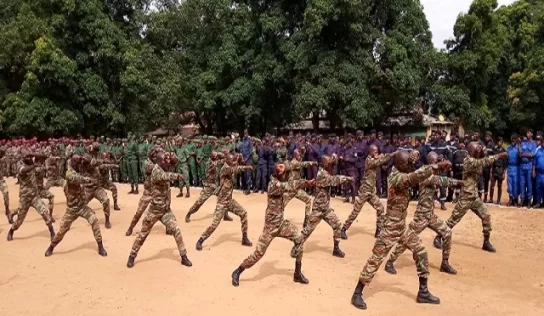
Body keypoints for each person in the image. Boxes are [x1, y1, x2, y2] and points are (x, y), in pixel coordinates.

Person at [350, 151, 451, 310]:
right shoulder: (396, 177)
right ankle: (357, 293)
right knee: (375, 260)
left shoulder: (402, 169)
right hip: (390, 228)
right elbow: (413, 177)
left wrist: (415, 156)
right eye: (407, 164)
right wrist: (435, 166)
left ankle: (423, 292)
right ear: (399, 165)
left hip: (401, 227)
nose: (410, 166)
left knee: (421, 251)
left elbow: (413, 166)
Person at [231, 163, 315, 287]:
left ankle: (297, 273)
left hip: (281, 224)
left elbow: (290, 179)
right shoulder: (274, 185)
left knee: (299, 239)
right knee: (258, 254)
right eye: (283, 171)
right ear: (279, 174)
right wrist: (305, 183)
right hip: (270, 228)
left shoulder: (279, 180)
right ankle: (238, 271)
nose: (285, 172)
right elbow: (290, 185)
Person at [384, 152, 462, 276]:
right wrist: (458, 182)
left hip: (429, 215)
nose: (438, 163)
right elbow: (441, 181)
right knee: (407, 240)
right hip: (421, 216)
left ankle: (445, 263)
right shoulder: (425, 175)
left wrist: (443, 166)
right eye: (436, 161)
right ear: (431, 162)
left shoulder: (431, 172)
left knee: (447, 233)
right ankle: (390, 261)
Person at [434, 142, 507, 253]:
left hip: (474, 196)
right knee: (453, 220)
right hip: (466, 197)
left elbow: (483, 153)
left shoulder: (476, 157)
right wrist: (499, 156)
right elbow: (484, 161)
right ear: (471, 152)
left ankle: (486, 242)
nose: (477, 151)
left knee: (486, 216)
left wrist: (480, 149)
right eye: (475, 150)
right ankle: (438, 237)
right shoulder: (469, 161)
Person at [127, 151, 192, 268]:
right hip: (154, 211)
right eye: (163, 160)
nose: (166, 162)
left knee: (176, 230)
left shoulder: (164, 167)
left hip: (165, 211)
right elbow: (165, 176)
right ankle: (132, 255)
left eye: (166, 160)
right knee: (143, 234)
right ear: (157, 161)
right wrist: (177, 175)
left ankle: (183, 256)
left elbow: (174, 163)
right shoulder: (156, 171)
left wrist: (172, 158)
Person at [291, 155, 353, 258]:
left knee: (337, 224)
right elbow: (334, 180)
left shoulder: (326, 170)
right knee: (307, 231)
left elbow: (332, 164)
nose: (331, 164)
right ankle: (296, 246)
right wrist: (347, 178)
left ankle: (336, 249)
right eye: (328, 163)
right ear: (324, 164)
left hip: (326, 209)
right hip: (318, 209)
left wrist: (334, 159)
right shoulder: (322, 174)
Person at [45, 155, 107, 257]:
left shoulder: (80, 170)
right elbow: (74, 178)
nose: (79, 165)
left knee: (94, 220)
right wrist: (86, 180)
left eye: (79, 163)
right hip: (72, 209)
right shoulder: (69, 172)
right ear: (73, 163)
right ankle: (51, 246)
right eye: (77, 163)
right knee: (62, 230)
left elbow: (92, 163)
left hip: (82, 206)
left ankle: (100, 246)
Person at [195, 153, 253, 251]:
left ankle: (244, 238)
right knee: (214, 224)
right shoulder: (225, 168)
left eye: (233, 161)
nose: (233, 162)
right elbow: (235, 169)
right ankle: (200, 240)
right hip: (222, 203)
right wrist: (246, 167)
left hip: (229, 201)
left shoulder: (230, 165)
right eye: (231, 160)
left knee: (243, 214)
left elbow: (236, 165)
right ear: (226, 161)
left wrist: (238, 159)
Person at [341, 145, 395, 240]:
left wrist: (383, 156)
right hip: (364, 192)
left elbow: (379, 160)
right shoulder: (369, 160)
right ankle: (343, 229)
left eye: (377, 152)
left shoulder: (373, 159)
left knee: (380, 208)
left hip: (371, 192)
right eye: (375, 152)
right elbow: (379, 161)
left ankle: (379, 230)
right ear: (371, 152)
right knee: (355, 212)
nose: (376, 153)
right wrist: (391, 154)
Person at [7, 149, 56, 242]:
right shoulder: (20, 165)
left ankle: (52, 232)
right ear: (23, 158)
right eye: (27, 157)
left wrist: (31, 154)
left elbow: (43, 156)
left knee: (44, 212)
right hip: (25, 198)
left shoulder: (31, 161)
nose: (29, 158)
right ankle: (11, 230)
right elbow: (24, 170)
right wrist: (33, 165)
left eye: (30, 157)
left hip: (34, 196)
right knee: (19, 221)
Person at [185, 151, 232, 223]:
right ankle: (188, 214)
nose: (217, 157)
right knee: (200, 202)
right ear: (212, 157)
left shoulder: (216, 161)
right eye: (216, 156)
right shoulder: (209, 163)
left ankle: (225, 215)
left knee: (225, 197)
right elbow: (220, 161)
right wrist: (221, 154)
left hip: (215, 185)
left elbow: (224, 159)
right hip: (209, 186)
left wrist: (222, 154)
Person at [282, 149, 316, 226]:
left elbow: (302, 158)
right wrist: (311, 163)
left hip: (296, 188)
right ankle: (277, 220)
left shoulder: (297, 160)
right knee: (281, 205)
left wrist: (303, 151)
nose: (300, 156)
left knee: (308, 200)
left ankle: (306, 220)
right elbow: (302, 164)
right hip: (290, 189)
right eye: (298, 155)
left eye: (300, 155)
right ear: (294, 155)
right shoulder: (294, 162)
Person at [519, 129, 536, 208]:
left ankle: (529, 200)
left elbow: (532, 155)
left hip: (529, 166)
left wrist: (523, 154)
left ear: (532, 134)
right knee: (522, 183)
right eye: (527, 132)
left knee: (529, 184)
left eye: (529, 133)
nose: (527, 134)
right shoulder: (523, 143)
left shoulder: (533, 143)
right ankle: (522, 200)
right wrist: (525, 154)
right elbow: (519, 154)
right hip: (522, 166)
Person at [489, 137, 506, 205]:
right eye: (498, 141)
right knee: (492, 185)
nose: (499, 143)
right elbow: (492, 161)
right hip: (494, 169)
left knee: (499, 186)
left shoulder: (504, 151)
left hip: (500, 169)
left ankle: (498, 200)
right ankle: (490, 199)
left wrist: (504, 173)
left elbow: (505, 163)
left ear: (502, 143)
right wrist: (491, 171)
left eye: (500, 141)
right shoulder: (494, 150)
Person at [507, 134, 521, 206]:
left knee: (515, 184)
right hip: (509, 167)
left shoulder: (518, 148)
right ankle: (510, 199)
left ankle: (515, 200)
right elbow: (506, 158)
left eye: (515, 140)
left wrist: (518, 146)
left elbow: (520, 156)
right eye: (512, 139)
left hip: (516, 167)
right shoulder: (508, 148)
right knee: (510, 185)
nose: (513, 141)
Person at [533, 136, 544, 208]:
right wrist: (533, 171)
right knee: (538, 188)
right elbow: (534, 162)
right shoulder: (538, 150)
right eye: (543, 142)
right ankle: (538, 202)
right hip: (539, 173)